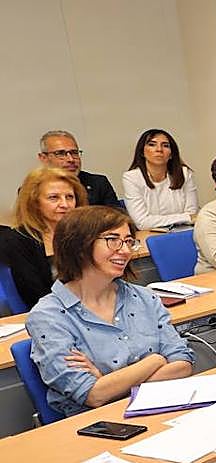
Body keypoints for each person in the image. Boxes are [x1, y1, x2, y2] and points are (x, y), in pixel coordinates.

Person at [26, 206, 194, 417]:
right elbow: (92, 395)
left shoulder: (144, 298)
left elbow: (183, 364)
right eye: (113, 240)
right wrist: (156, 361)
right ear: (79, 245)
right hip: (97, 425)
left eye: (128, 241)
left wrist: (110, 384)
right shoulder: (48, 316)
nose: (124, 250)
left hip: (162, 408)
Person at [0, 168, 86, 309]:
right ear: (34, 202)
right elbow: (35, 295)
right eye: (54, 197)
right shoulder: (17, 240)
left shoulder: (85, 232)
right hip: (51, 313)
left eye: (69, 197)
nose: (65, 204)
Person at [120, 129, 199, 229]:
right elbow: (142, 223)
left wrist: (187, 218)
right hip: (151, 235)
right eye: (152, 145)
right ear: (142, 152)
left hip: (185, 231)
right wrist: (185, 217)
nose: (159, 149)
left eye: (165, 145)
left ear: (171, 154)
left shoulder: (185, 173)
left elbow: (192, 213)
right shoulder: (132, 178)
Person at [36, 130, 120, 209]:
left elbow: (118, 219)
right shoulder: (33, 188)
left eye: (74, 153)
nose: (71, 159)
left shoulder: (98, 183)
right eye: (61, 154)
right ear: (44, 158)